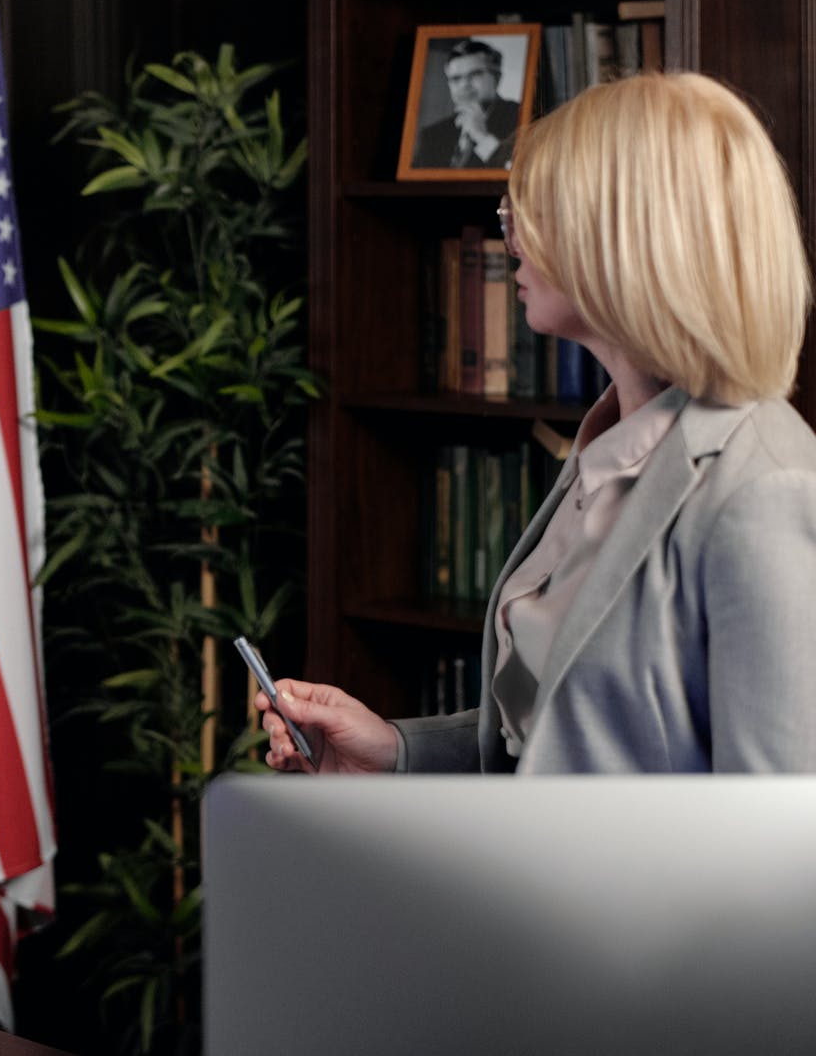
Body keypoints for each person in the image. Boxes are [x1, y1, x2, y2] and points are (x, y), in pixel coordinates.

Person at [268, 71, 816, 775]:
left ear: (623, 234)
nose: (510, 239)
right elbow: (566, 727)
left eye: (529, 211)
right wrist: (397, 750)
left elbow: (780, 850)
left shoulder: (767, 493)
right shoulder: (611, 445)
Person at [411, 38, 522, 168]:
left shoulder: (521, 116)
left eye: (475, 74)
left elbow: (523, 173)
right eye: (456, 78)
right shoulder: (432, 135)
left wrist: (482, 136)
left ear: (497, 78)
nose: (464, 85)